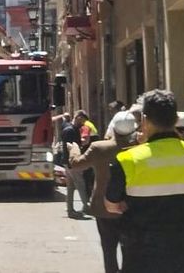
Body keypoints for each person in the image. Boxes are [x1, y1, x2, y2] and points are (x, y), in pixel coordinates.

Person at [105, 90, 184, 273]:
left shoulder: (127, 159)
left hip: (143, 258)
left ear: (145, 120)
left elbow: (111, 206)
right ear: (175, 119)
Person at [68, 106, 142, 273]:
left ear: (113, 127)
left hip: (103, 208)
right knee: (130, 251)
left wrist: (74, 149)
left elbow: (76, 164)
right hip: (130, 207)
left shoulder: (100, 147)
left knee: (109, 251)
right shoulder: (140, 148)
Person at [61, 113, 91, 218]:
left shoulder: (71, 129)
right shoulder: (70, 130)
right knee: (80, 183)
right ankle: (86, 207)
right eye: (82, 121)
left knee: (70, 187)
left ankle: (70, 210)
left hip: (68, 162)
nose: (83, 124)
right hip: (72, 162)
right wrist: (71, 162)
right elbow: (70, 148)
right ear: (78, 118)